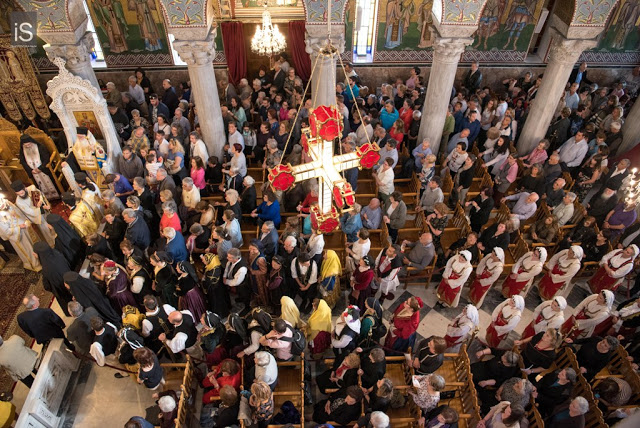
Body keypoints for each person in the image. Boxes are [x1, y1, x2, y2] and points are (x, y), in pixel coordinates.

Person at [0, 197, 40, 271]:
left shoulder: (7, 203)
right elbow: (6, 231)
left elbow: (18, 212)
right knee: (28, 249)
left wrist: (25, 220)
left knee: (34, 242)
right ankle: (35, 264)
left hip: (25, 227)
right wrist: (19, 227)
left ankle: (42, 256)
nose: (1, 204)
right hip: (17, 234)